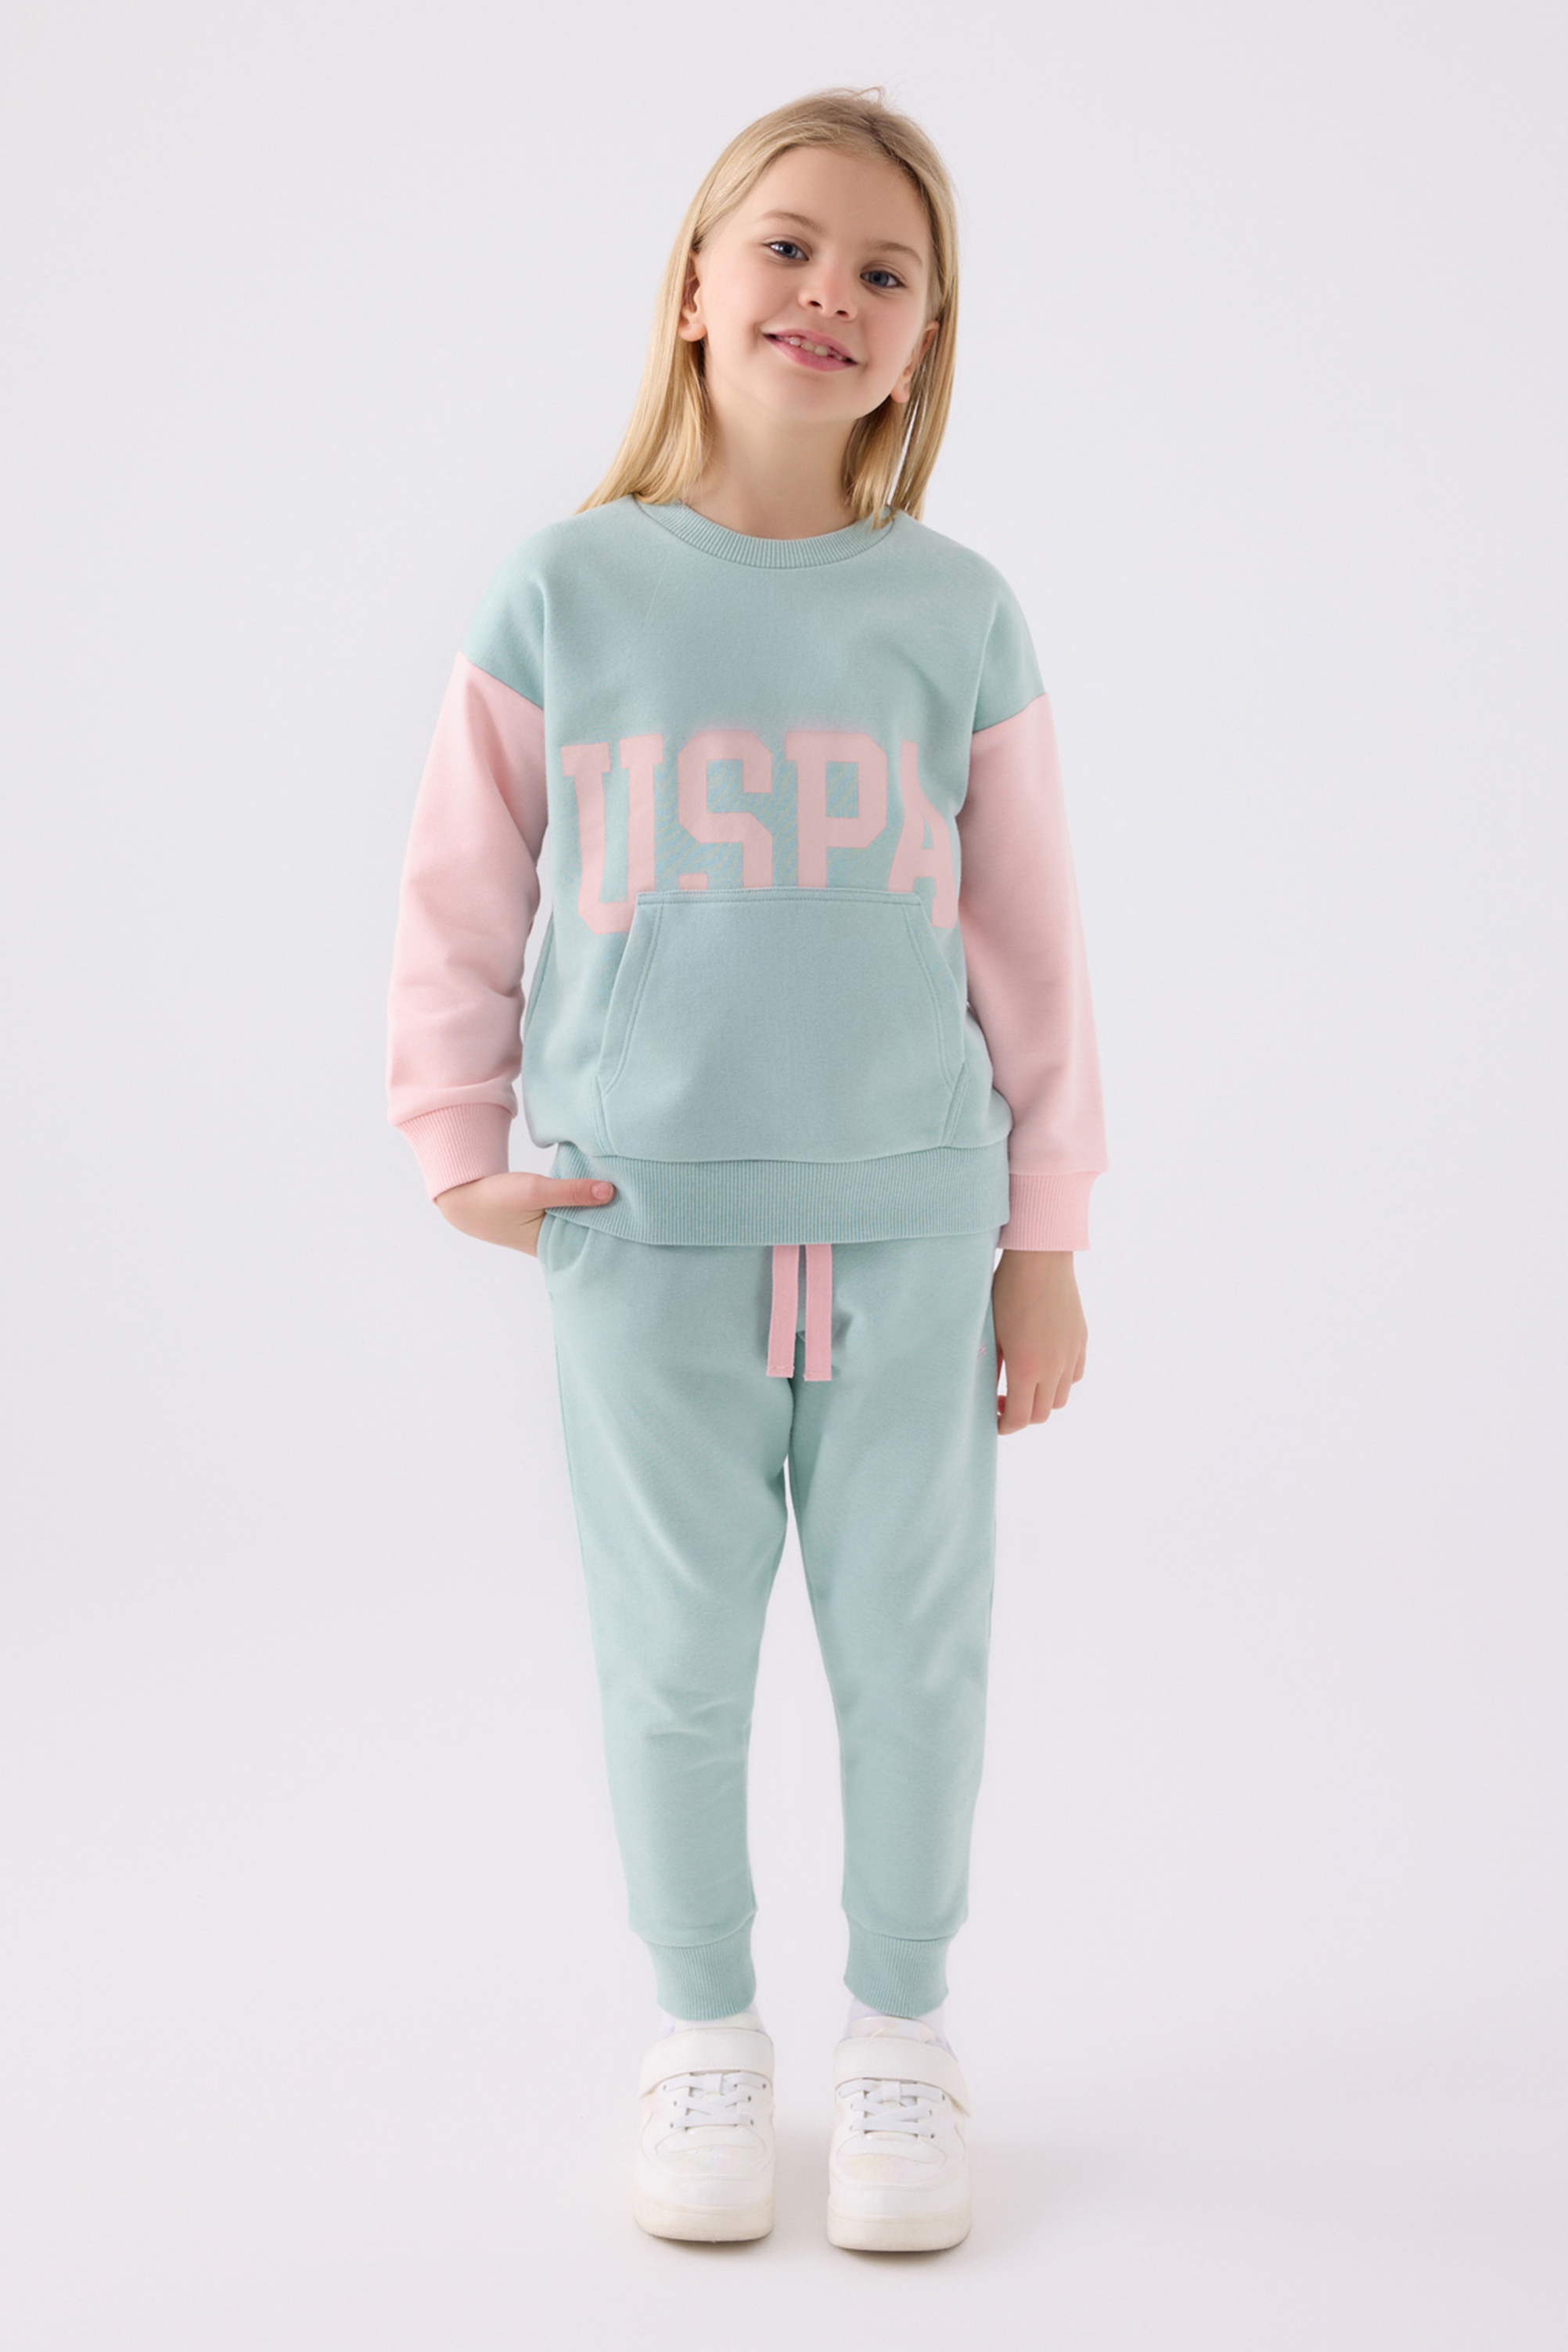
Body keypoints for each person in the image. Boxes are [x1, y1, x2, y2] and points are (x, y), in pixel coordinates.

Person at [385, 85, 1109, 2253]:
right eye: (787, 244)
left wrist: (1046, 1236)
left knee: (915, 1656)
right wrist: (457, 1143)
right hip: (641, 1234)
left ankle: (901, 2034)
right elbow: (461, 892)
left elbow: (1031, 946)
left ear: (924, 340)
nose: (828, 292)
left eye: (884, 271)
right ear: (695, 287)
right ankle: (702, 2029)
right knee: (673, 1661)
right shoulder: (567, 590)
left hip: (914, 1227)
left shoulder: (955, 614)